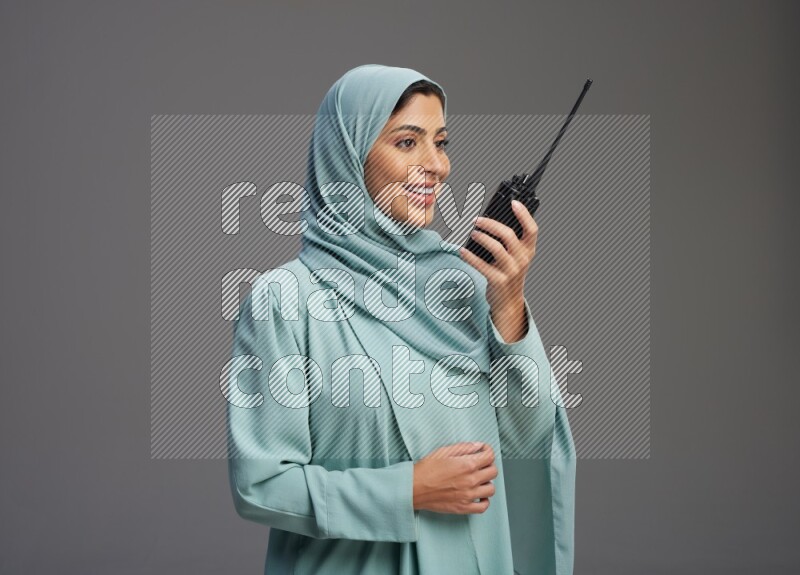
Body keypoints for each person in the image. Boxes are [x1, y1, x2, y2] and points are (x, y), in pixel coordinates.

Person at [226, 64, 576, 575]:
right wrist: (408, 490)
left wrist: (508, 308)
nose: (437, 165)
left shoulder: (467, 286)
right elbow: (258, 486)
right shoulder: (285, 299)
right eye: (408, 143)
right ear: (348, 156)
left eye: (442, 141)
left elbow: (528, 446)